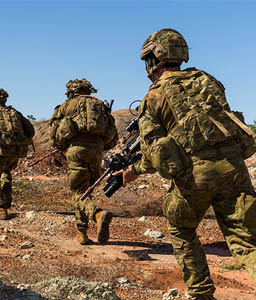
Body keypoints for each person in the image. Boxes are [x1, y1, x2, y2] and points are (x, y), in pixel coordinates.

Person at [114, 28, 256, 300]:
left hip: (197, 174)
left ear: (152, 60)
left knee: (182, 228)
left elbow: (157, 153)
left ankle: (201, 293)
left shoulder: (154, 96)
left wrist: (133, 170)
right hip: (234, 166)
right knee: (248, 241)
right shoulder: (208, 80)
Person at [49, 78, 118, 245]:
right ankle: (82, 234)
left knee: (79, 192)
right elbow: (112, 135)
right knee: (86, 191)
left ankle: (97, 214)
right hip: (97, 151)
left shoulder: (67, 105)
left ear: (71, 91)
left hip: (76, 150)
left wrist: (60, 147)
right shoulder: (101, 106)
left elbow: (54, 132)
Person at [0, 88, 35, 220]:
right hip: (14, 153)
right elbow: (30, 129)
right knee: (6, 173)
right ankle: (7, 201)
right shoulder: (14, 113)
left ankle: (0, 208)